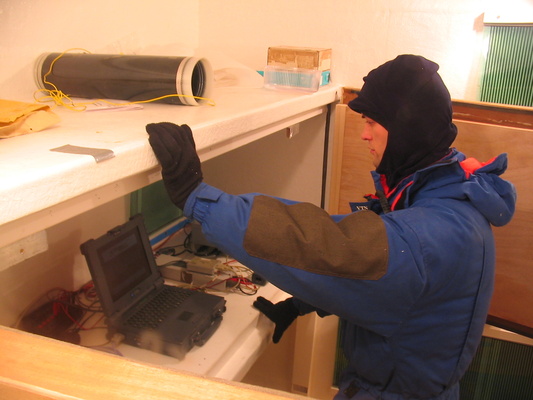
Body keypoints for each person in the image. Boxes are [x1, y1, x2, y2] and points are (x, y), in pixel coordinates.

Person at [145, 54, 516, 400]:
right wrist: (304, 300)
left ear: (406, 129)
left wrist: (197, 196)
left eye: (371, 122)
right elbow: (386, 278)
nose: (363, 135)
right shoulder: (447, 193)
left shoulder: (428, 235)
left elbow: (323, 244)